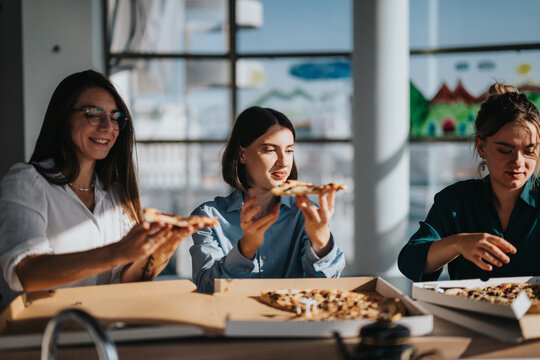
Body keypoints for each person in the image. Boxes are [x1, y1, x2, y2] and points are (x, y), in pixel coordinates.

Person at [0, 70, 201, 307]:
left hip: (108, 330)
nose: (108, 126)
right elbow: (27, 273)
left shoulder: (116, 195)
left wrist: (160, 251)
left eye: (115, 117)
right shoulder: (27, 182)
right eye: (93, 114)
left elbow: (126, 282)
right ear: (63, 117)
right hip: (43, 334)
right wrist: (118, 251)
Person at [190, 106, 346, 293]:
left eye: (289, 151)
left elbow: (325, 289)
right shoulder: (207, 218)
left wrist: (321, 240)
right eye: (270, 150)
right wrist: (245, 248)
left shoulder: (306, 214)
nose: (283, 162)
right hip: (233, 320)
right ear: (242, 155)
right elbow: (206, 288)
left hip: (292, 320)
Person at [399, 82, 540, 282]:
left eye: (529, 151)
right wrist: (457, 243)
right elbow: (409, 260)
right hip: (467, 312)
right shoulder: (455, 200)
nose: (518, 161)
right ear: (481, 147)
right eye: (505, 150)